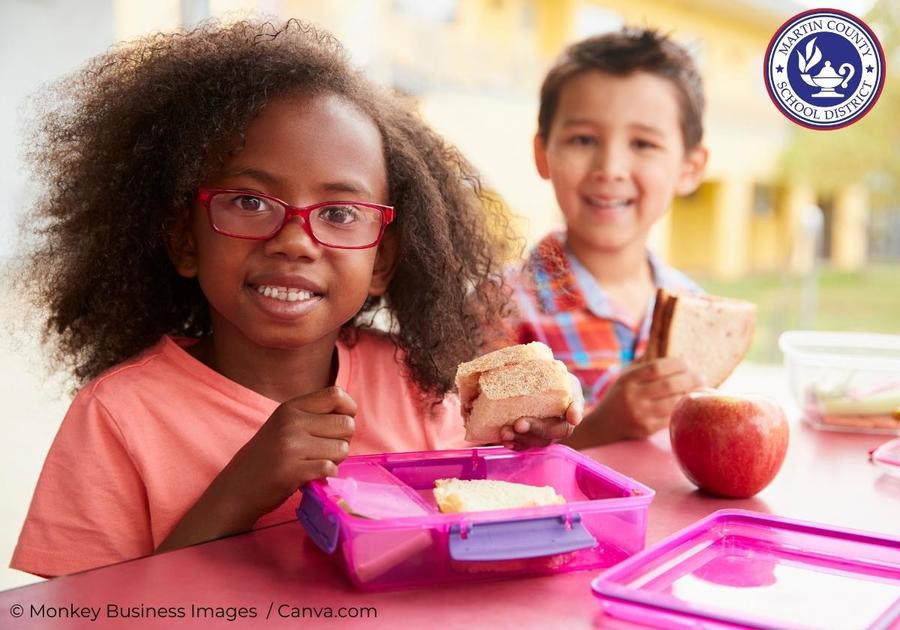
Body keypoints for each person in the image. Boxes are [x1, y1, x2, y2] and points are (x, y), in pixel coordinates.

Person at [10, 20, 580, 578]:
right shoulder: (118, 417)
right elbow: (86, 616)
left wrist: (524, 453)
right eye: (250, 202)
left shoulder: (412, 385)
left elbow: (473, 544)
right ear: (186, 239)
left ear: (380, 260)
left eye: (338, 213)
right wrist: (237, 495)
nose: (293, 241)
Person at [505, 28, 709, 447]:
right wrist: (603, 427)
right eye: (583, 140)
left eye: (643, 143)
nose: (610, 167)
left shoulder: (697, 308)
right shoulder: (500, 306)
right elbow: (486, 460)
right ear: (544, 155)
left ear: (690, 167)